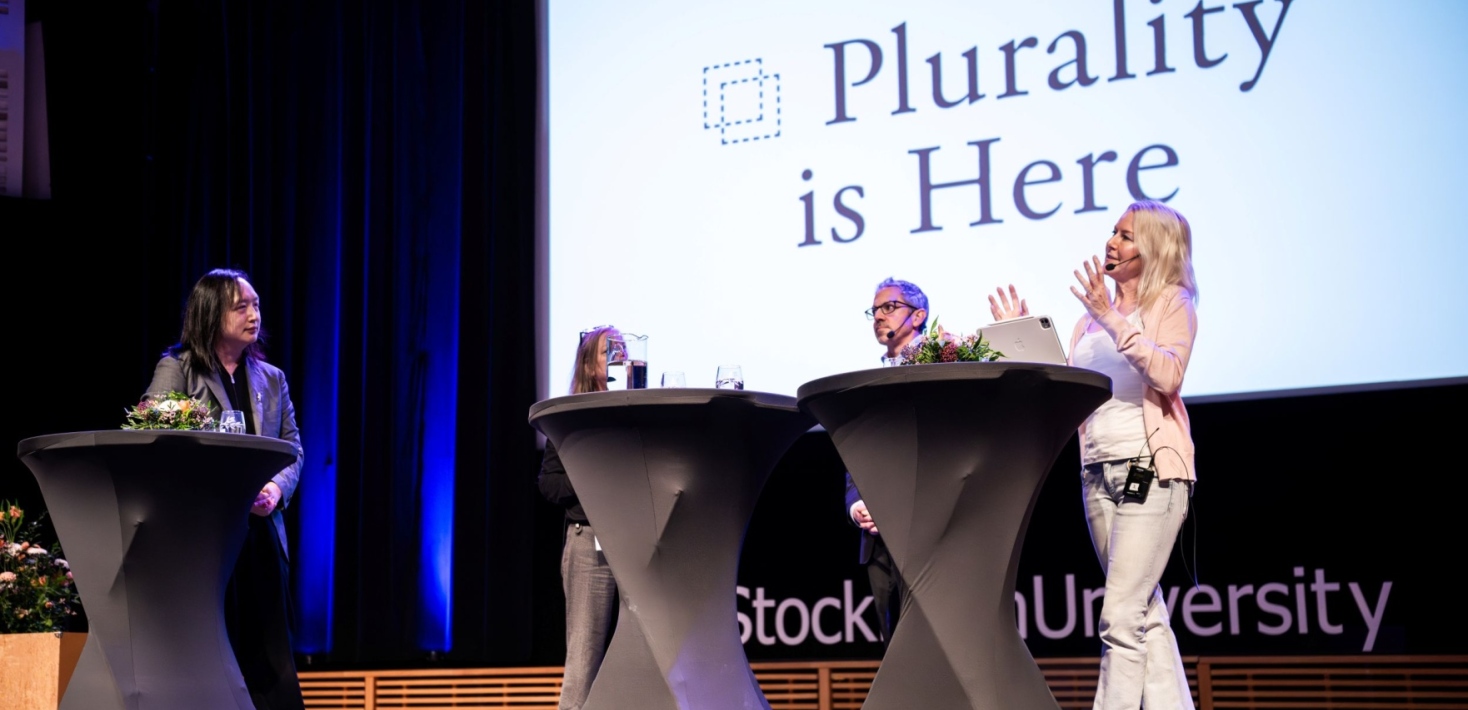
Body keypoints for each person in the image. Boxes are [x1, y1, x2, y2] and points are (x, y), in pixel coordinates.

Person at [990, 200, 1199, 710]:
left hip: (1150, 468)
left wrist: (1111, 317)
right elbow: (1070, 391)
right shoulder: (1089, 321)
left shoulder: (1172, 302)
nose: (1112, 241)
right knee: (1143, 611)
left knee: (1120, 615)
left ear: (1154, 247)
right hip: (1096, 472)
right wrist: (1020, 337)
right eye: (1113, 231)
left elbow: (1169, 375)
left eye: (1126, 235)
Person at [144, 268, 305, 710]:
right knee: (214, 649)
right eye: (242, 307)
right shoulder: (177, 369)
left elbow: (293, 449)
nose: (254, 314)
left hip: (261, 534)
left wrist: (273, 490)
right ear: (213, 313)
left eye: (255, 305)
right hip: (205, 536)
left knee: (271, 655)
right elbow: (152, 434)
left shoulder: (272, 379)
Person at [537, 326, 621, 710]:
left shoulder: (643, 414)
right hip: (591, 547)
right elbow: (549, 485)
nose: (619, 358)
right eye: (610, 352)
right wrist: (591, 471)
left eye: (622, 351)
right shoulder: (570, 418)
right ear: (590, 365)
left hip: (640, 547)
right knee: (585, 662)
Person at [845, 277, 928, 646]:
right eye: (875, 310)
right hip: (876, 539)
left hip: (924, 532)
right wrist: (858, 504)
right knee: (893, 651)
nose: (878, 316)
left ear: (919, 315)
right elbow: (859, 451)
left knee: (929, 647)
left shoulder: (940, 372)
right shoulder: (871, 381)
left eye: (889, 307)